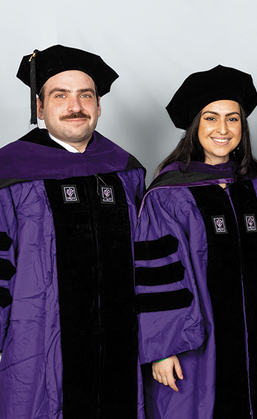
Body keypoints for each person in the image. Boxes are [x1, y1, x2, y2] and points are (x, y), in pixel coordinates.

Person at [0, 45, 145, 418]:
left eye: (85, 95)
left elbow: (149, 258)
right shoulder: (10, 172)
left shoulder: (125, 171)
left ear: (98, 106)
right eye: (59, 95)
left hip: (123, 342)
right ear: (40, 108)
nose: (74, 105)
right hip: (36, 338)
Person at [133, 65, 257, 418]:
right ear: (195, 126)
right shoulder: (168, 194)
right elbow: (155, 274)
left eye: (233, 119)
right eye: (211, 118)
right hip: (193, 346)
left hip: (255, 340)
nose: (223, 130)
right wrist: (162, 349)